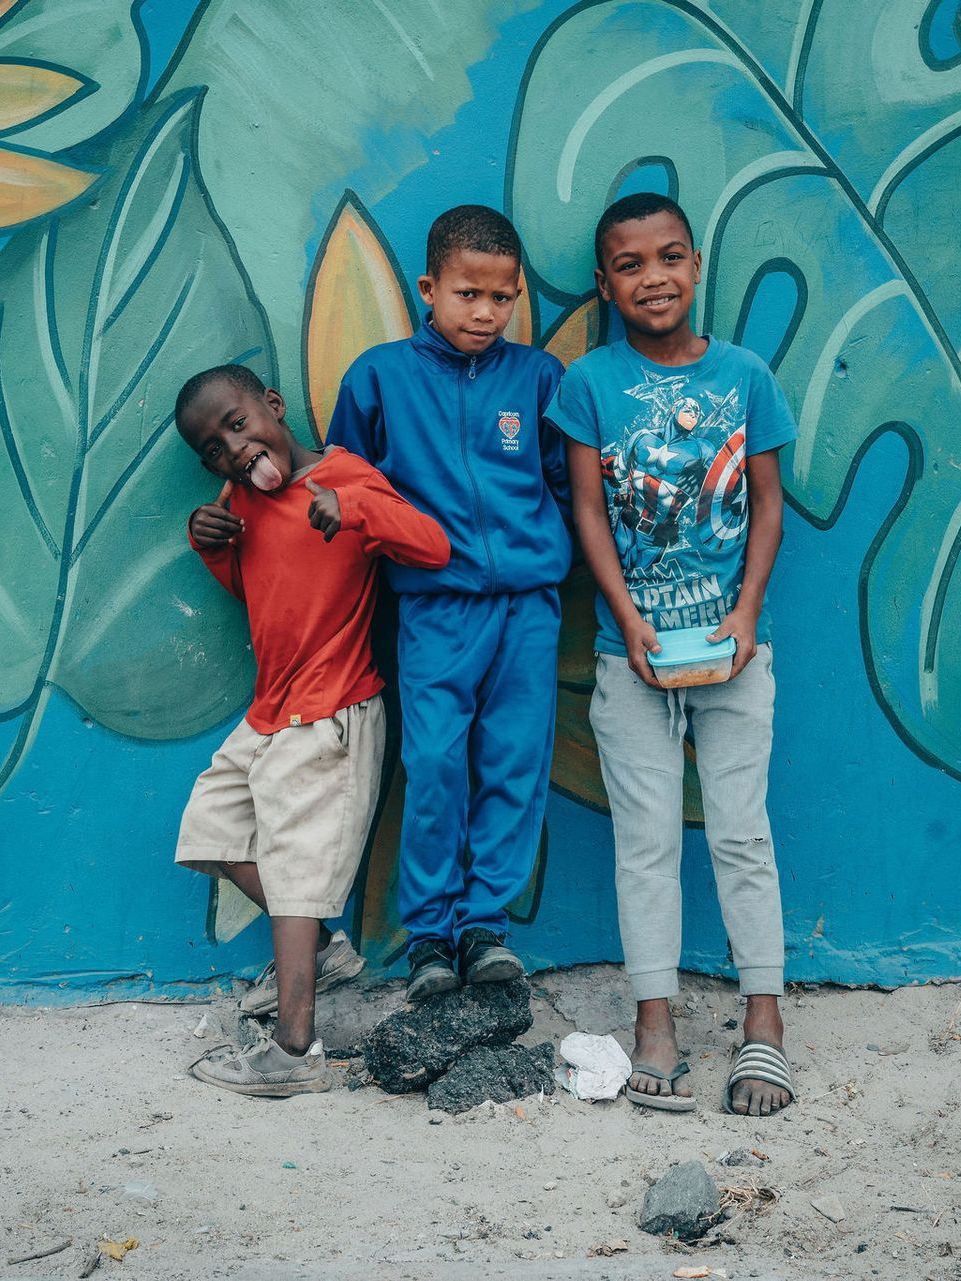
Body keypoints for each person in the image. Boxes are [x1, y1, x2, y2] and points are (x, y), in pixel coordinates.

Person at [547, 193, 797, 1117]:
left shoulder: (744, 375)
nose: (651, 277)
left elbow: (767, 504)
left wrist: (743, 614)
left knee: (741, 832)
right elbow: (586, 509)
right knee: (643, 843)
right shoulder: (588, 385)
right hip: (630, 656)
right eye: (628, 264)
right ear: (605, 284)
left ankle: (761, 1023)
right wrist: (627, 619)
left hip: (734, 654)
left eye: (669, 257)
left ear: (695, 267)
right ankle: (655, 1021)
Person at [174, 364, 449, 1095]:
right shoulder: (238, 501)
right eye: (211, 448)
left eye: (237, 425)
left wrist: (355, 512)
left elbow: (431, 544)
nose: (232, 450)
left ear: (273, 406)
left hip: (331, 712)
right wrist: (212, 545)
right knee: (209, 829)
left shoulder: (344, 476)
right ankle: (321, 947)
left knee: (295, 875)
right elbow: (259, 589)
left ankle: (293, 1051)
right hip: (270, 710)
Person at [327, 205, 571, 1001]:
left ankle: (483, 925)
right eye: (468, 293)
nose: (485, 313)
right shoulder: (378, 377)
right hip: (434, 609)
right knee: (432, 761)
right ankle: (428, 932)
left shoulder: (537, 378)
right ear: (429, 288)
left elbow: (567, 484)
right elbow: (346, 485)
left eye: (502, 298)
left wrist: (543, 553)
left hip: (527, 607)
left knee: (513, 760)